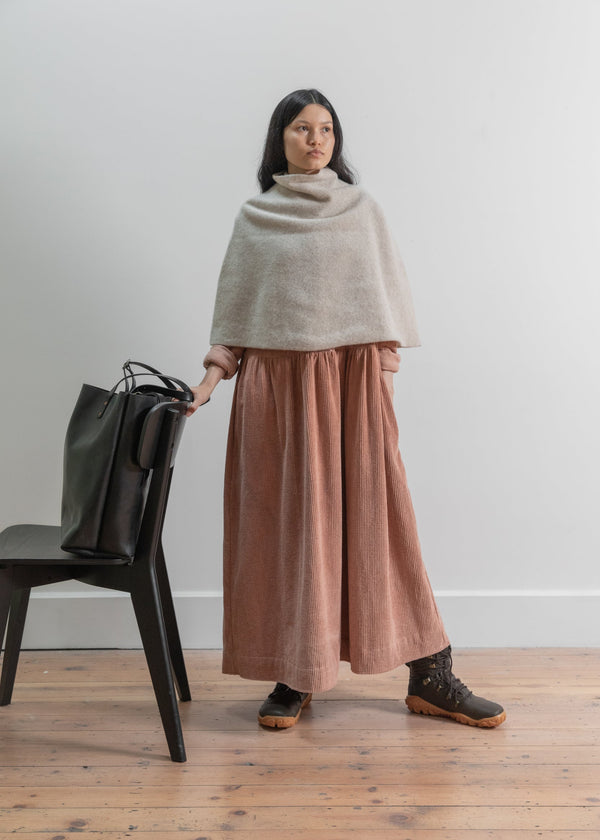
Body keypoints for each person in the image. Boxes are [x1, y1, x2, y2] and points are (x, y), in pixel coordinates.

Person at [187, 88, 506, 731]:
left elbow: (384, 304)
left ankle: (431, 673)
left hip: (353, 391)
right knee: (289, 533)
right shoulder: (256, 217)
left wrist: (381, 380)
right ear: (280, 138)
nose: (316, 140)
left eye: (326, 129)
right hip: (274, 397)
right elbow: (236, 314)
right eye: (302, 128)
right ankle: (293, 671)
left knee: (382, 525)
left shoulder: (362, 211)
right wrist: (210, 380)